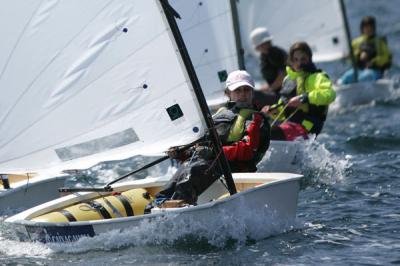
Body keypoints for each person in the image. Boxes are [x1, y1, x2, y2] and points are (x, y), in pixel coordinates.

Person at [152, 70, 271, 206]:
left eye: (247, 90)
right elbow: (202, 145)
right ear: (228, 93)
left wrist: (215, 151)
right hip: (211, 164)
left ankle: (178, 208)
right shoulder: (219, 115)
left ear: (252, 92)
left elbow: (248, 150)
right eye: (238, 90)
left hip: (233, 168)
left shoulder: (255, 119)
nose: (243, 94)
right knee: (186, 167)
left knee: (195, 169)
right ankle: (157, 204)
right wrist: (182, 153)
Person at [262, 42, 336, 140]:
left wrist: (304, 98)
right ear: (291, 61)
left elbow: (330, 94)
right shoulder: (288, 80)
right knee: (261, 131)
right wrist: (272, 111)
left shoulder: (318, 77)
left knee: (270, 133)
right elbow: (282, 111)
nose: (299, 63)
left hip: (307, 127)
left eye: (303, 59)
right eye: (295, 60)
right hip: (290, 126)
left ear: (309, 59)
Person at [338, 16, 392, 84]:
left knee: (365, 77)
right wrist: (351, 56)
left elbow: (386, 57)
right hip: (359, 70)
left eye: (371, 27)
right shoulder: (356, 42)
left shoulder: (380, 42)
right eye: (366, 27)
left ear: (374, 28)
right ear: (362, 28)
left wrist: (373, 62)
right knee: (346, 78)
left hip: (375, 71)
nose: (368, 29)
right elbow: (351, 59)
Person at [250, 27, 288, 107]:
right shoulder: (266, 56)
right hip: (280, 93)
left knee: (252, 96)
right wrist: (268, 88)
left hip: (285, 95)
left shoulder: (274, 54)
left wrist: (270, 89)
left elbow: (283, 75)